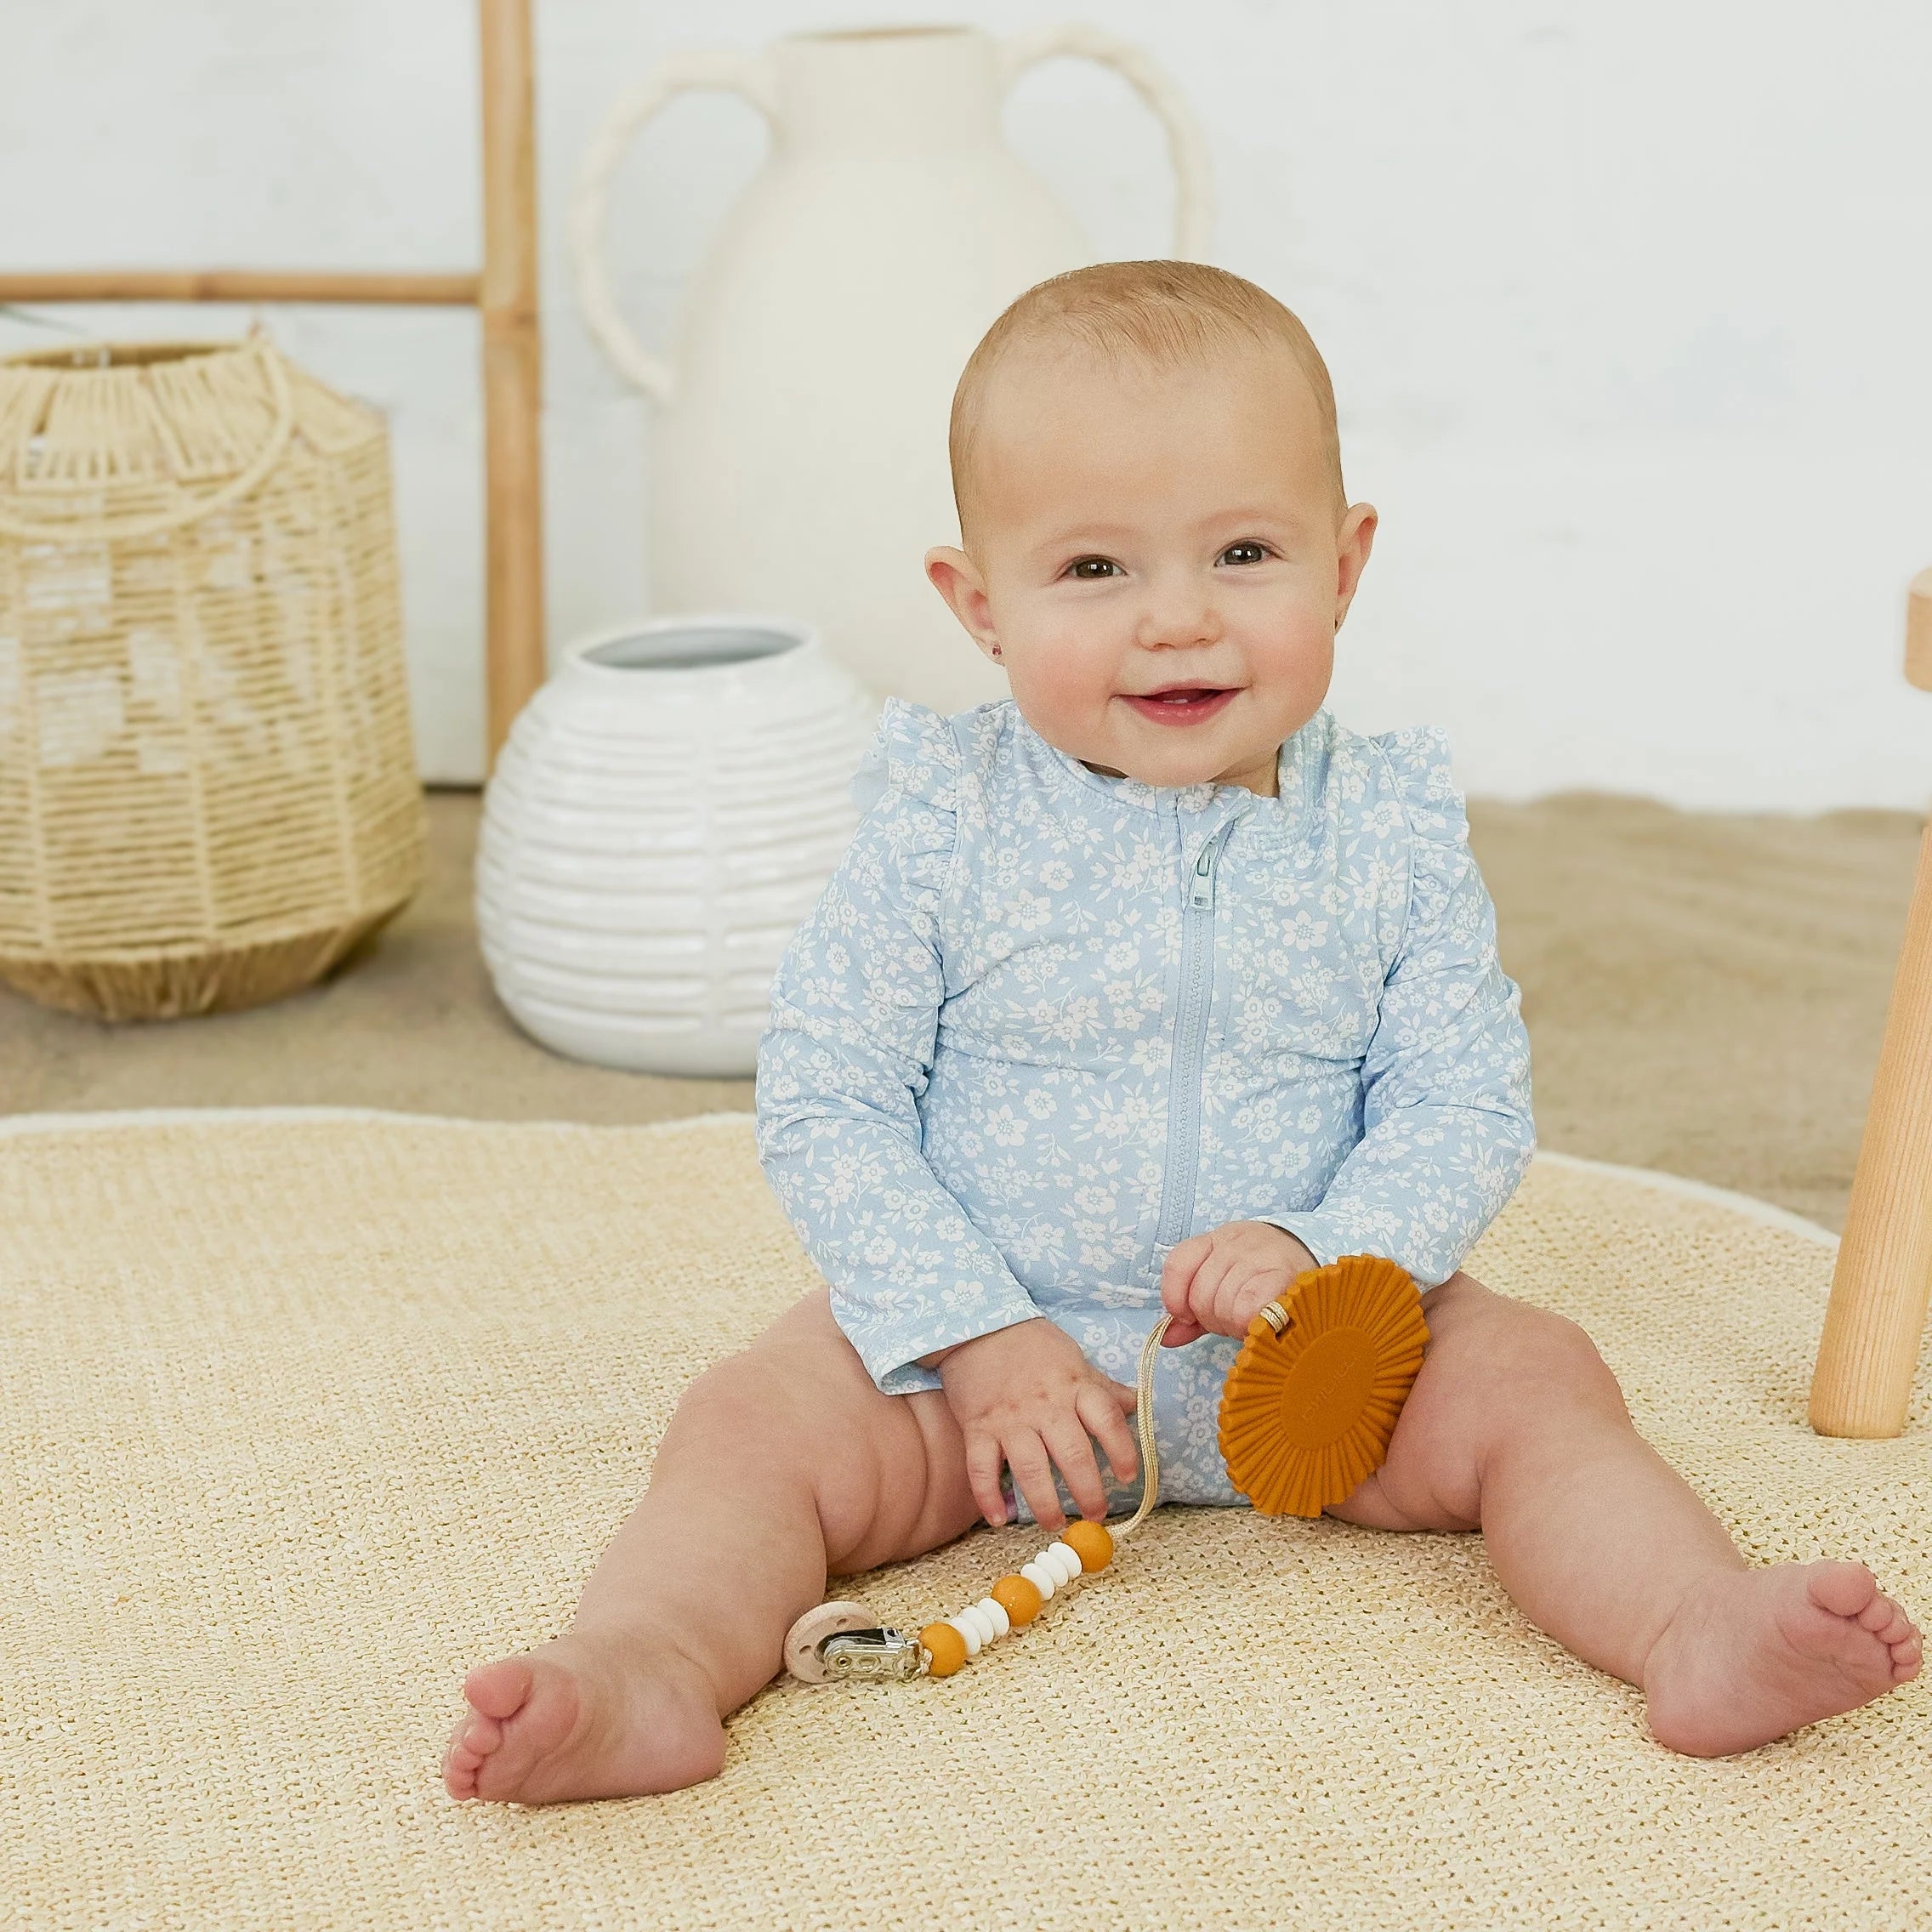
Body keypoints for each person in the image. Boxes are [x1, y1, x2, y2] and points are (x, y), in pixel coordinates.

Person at [445, 261, 1920, 1804]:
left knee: (1540, 1377)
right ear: (979, 608)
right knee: (752, 1423)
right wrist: (973, 1331)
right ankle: (650, 1666)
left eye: (1243, 552)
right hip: (981, 1381)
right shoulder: (942, 824)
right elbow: (830, 1101)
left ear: (1344, 567)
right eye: (1093, 568)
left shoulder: (1389, 831)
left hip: (1329, 1364)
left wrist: (1326, 1255)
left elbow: (1463, 1101)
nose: (1177, 619)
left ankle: (1691, 1623)